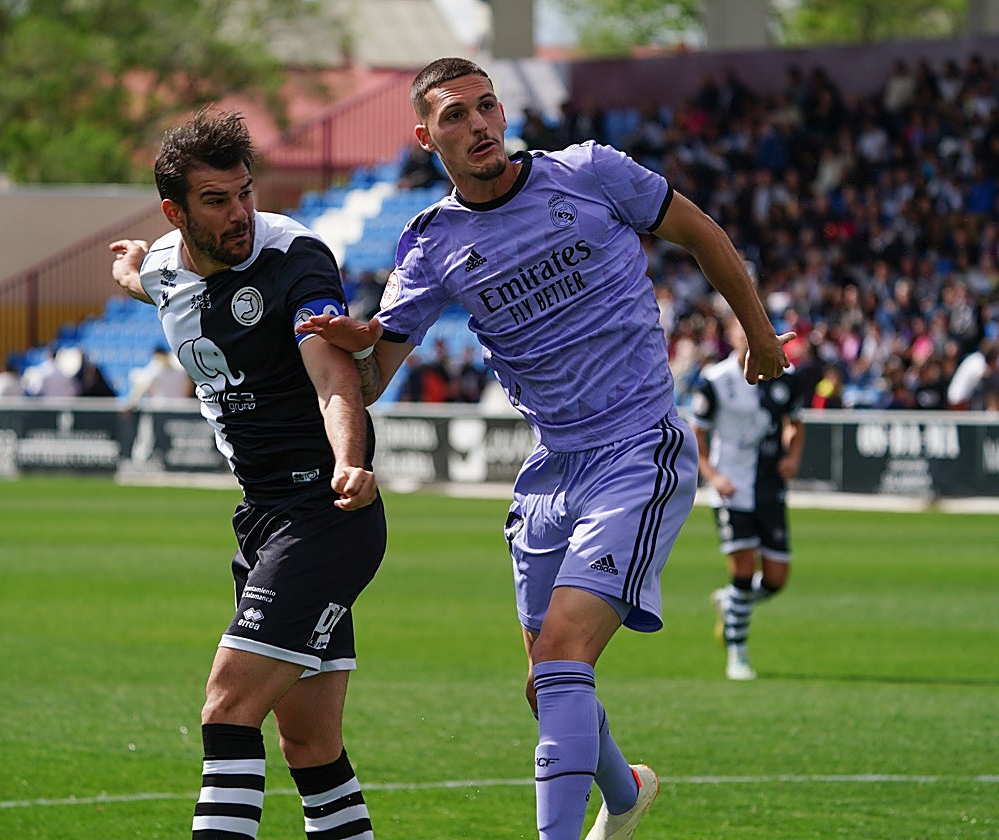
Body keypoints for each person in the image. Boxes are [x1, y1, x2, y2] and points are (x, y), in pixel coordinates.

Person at [297, 57, 794, 840]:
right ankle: (624, 792)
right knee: (547, 683)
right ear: (428, 139)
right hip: (551, 473)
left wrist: (759, 336)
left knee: (564, 656)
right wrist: (341, 344)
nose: (479, 124)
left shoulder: (590, 173)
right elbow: (375, 372)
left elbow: (701, 233)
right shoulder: (431, 243)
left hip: (638, 449)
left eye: (486, 106)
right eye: (455, 116)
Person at [108, 106, 384, 840]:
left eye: (245, 194)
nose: (239, 215)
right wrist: (128, 269)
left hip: (325, 514)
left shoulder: (295, 257)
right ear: (176, 212)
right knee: (310, 745)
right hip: (263, 518)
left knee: (227, 709)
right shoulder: (168, 263)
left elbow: (333, 377)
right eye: (216, 201)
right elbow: (157, 283)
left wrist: (352, 460)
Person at [688, 318, 805, 681]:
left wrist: (792, 457)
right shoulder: (715, 380)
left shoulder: (783, 373)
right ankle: (737, 655)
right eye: (741, 331)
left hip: (769, 487)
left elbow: (796, 422)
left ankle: (730, 603)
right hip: (732, 488)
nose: (748, 336)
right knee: (743, 572)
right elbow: (697, 434)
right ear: (731, 337)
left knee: (775, 579)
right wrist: (712, 475)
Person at [123, 346, 195, 409]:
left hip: (179, 407)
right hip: (160, 408)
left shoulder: (179, 369)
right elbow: (142, 386)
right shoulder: (154, 370)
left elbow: (189, 384)